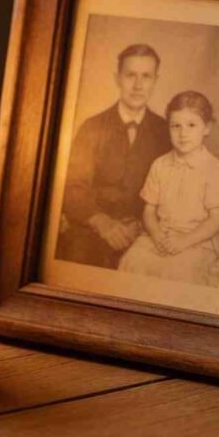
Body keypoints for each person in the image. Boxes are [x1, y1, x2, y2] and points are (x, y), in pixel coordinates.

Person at [56, 44, 170, 269]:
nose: (138, 85)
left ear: (156, 80)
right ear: (117, 78)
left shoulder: (166, 132)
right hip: (91, 230)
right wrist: (102, 222)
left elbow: (172, 191)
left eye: (146, 76)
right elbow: (71, 186)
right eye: (130, 75)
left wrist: (142, 225)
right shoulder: (92, 127)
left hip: (144, 233)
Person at [117, 91, 219, 286]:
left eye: (191, 125)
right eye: (175, 126)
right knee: (131, 261)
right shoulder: (160, 165)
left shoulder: (214, 169)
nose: (183, 133)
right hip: (161, 236)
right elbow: (149, 211)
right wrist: (157, 235)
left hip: (197, 242)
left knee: (177, 274)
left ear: (207, 128)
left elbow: (216, 220)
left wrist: (183, 241)